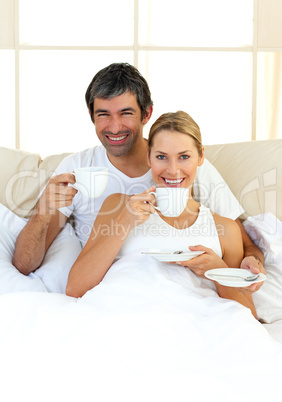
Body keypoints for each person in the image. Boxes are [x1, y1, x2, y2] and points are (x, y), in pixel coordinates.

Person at [12, 63, 265, 293]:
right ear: (91, 116)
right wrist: (44, 210)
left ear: (146, 114)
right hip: (114, 286)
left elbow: (241, 243)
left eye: (126, 113)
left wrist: (252, 262)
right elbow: (24, 265)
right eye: (103, 114)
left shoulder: (185, 166)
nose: (114, 127)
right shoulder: (77, 169)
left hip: (182, 289)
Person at [66, 111, 256, 318]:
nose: (173, 170)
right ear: (148, 157)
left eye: (184, 157)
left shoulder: (225, 229)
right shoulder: (119, 205)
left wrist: (217, 270)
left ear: (201, 157)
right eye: (161, 157)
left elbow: (248, 316)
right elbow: (75, 288)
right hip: (124, 317)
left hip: (193, 323)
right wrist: (124, 223)